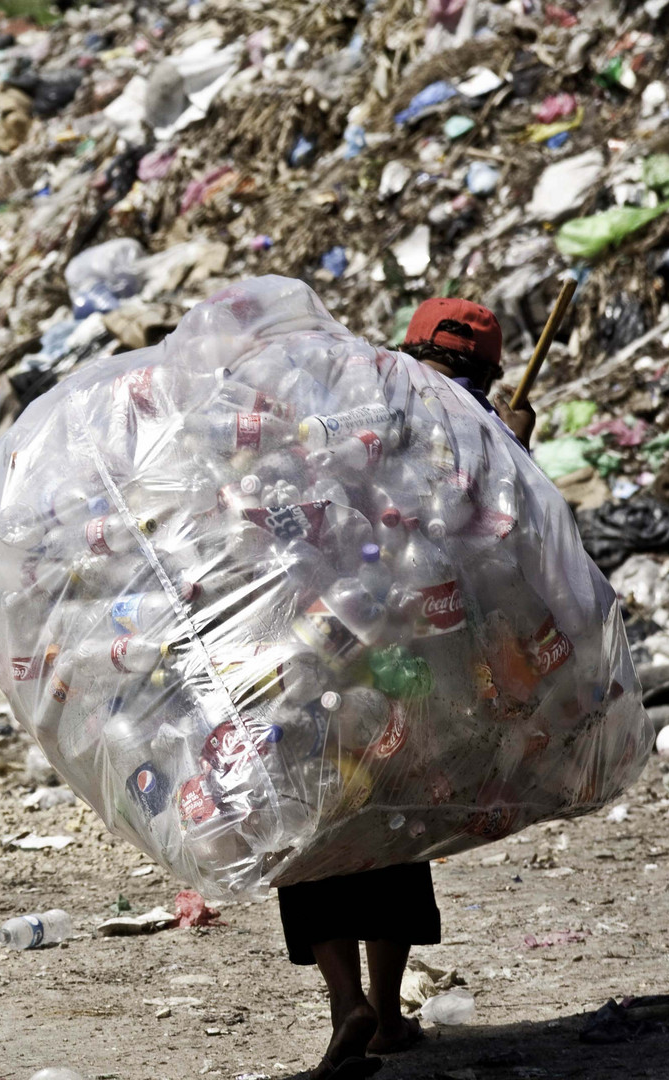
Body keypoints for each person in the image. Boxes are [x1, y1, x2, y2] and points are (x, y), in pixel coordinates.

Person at [277, 298, 534, 1080]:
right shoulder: (481, 425)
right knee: (395, 816)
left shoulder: (350, 404)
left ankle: (345, 1003)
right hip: (418, 657)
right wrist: (519, 446)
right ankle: (388, 1018)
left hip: (316, 645)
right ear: (486, 367)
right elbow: (507, 529)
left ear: (407, 346)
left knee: (319, 825)